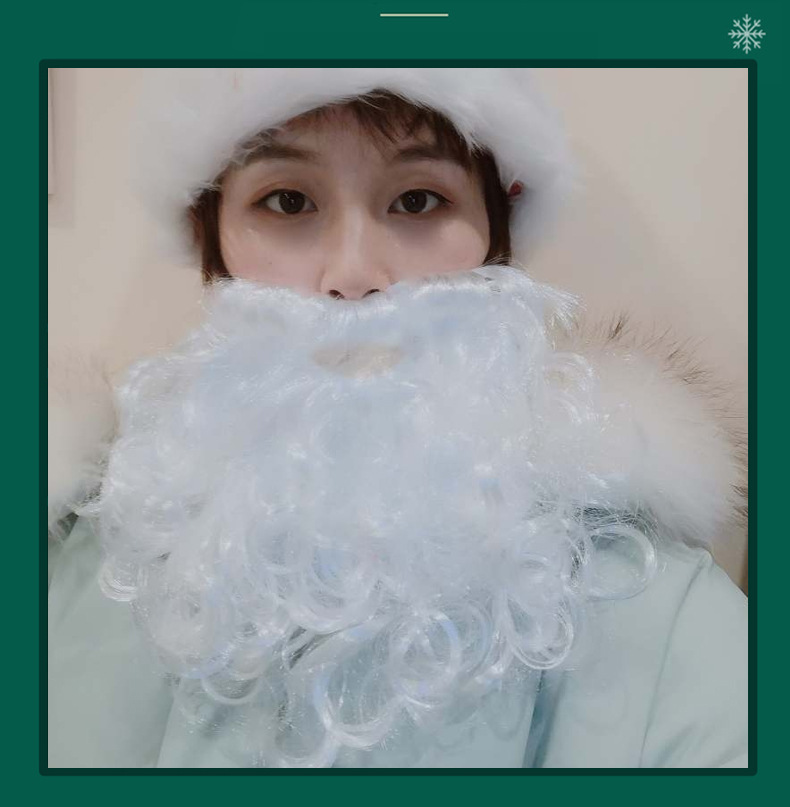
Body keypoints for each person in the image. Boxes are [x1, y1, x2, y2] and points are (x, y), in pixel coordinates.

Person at [47, 68, 748, 768]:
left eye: (417, 200)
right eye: (288, 201)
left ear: (495, 236)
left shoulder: (660, 615)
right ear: (213, 237)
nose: (353, 277)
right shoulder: (69, 565)